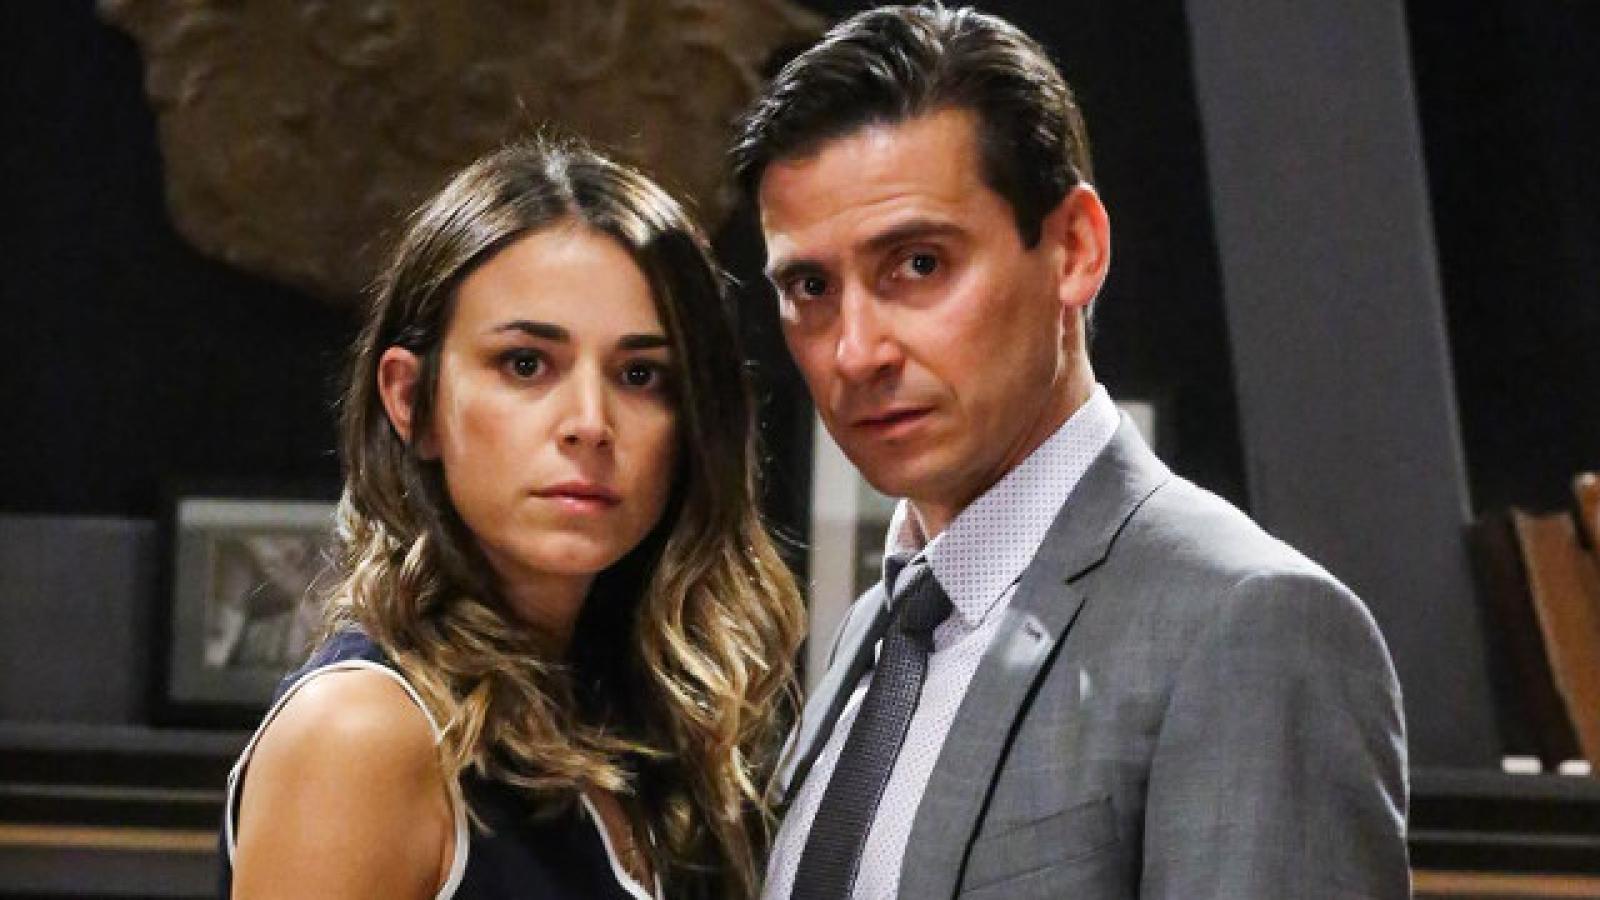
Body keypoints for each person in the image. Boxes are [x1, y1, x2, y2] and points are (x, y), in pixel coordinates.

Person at [730, 5, 1409, 899]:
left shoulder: (1249, 625)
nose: (856, 351)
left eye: (919, 264)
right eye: (811, 286)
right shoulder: (874, 631)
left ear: (1075, 250)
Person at [223, 137, 806, 900]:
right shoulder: (361, 733)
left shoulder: (642, 727)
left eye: (640, 375)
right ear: (411, 401)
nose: (589, 422)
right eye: (526, 364)